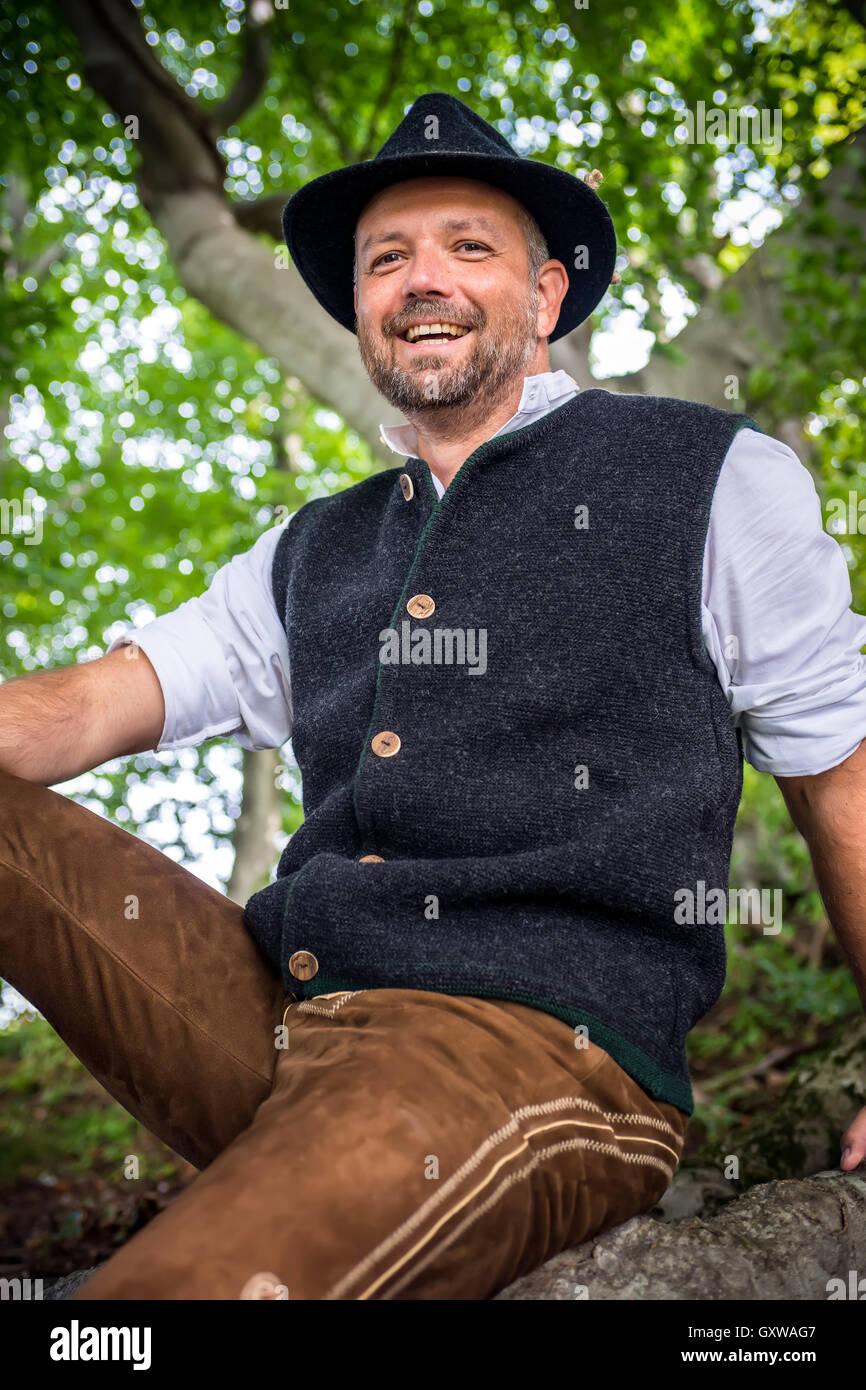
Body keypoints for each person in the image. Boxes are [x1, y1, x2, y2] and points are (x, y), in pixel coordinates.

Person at [1, 92, 864, 1302]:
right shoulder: (305, 551)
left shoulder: (710, 476)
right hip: (281, 1012)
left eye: (470, 247)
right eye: (386, 258)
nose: (423, 280)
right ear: (357, 305)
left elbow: (842, 774)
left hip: (539, 1055)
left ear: (547, 296)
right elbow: (96, 705)